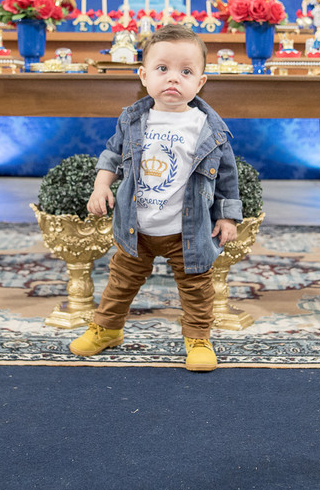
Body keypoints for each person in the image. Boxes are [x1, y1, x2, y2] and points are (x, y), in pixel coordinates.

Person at [70, 24, 241, 371]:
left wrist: (227, 216)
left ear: (201, 82)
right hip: (137, 228)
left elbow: (227, 176)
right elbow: (111, 155)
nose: (173, 78)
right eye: (162, 68)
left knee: (196, 287)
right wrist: (101, 186)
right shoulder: (133, 119)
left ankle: (198, 338)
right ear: (143, 75)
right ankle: (107, 329)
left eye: (186, 72)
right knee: (121, 281)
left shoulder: (209, 128)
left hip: (187, 231)